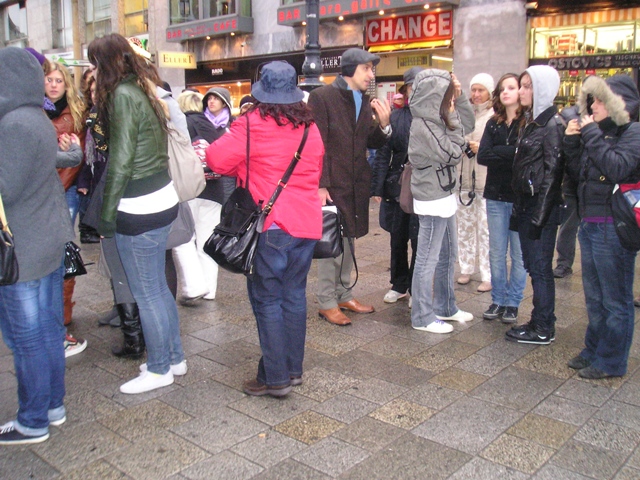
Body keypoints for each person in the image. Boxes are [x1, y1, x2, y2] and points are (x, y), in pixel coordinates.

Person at [205, 61, 324, 397]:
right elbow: (312, 168)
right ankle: (293, 369)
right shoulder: (310, 127)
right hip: (306, 223)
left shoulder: (250, 123)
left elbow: (216, 160)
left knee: (267, 299)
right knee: (294, 296)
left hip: (270, 225)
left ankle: (275, 378)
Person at [88, 33, 185, 394]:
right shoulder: (140, 88)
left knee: (147, 292)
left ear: (105, 64)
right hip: (159, 199)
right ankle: (173, 357)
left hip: (138, 205)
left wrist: (106, 215)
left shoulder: (121, 95)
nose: (92, 72)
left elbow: (121, 161)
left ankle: (160, 368)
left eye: (94, 64)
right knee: (156, 288)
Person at [0, 47, 75, 445]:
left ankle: (32, 420)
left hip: (23, 249)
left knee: (26, 337)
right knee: (47, 330)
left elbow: (6, 187)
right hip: (45, 240)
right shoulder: (35, 118)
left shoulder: (13, 124)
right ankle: (52, 406)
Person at [308, 48, 392, 326]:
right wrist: (321, 184)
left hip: (356, 182)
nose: (371, 75)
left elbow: (370, 140)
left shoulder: (362, 99)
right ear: (351, 68)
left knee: (349, 240)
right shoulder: (322, 97)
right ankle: (327, 302)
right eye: (366, 68)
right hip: (332, 182)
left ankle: (343, 294)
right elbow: (316, 143)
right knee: (331, 242)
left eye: (371, 69)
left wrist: (384, 125)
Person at [564, 74, 640, 379]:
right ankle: (593, 350)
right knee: (594, 298)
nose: (592, 106)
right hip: (590, 223)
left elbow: (618, 167)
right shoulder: (596, 132)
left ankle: (611, 361)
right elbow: (577, 176)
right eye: (591, 100)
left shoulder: (633, 132)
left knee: (615, 299)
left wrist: (591, 134)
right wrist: (572, 143)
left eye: (599, 100)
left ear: (616, 103)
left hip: (614, 225)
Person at [408, 68, 475, 334]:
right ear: (436, 93)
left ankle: (445, 306)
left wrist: (460, 97)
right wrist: (453, 114)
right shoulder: (424, 124)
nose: (451, 98)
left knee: (447, 254)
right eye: (448, 93)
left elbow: (468, 125)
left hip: (444, 193)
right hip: (433, 197)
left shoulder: (436, 117)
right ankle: (422, 316)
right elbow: (454, 153)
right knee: (427, 258)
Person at [506, 65, 564, 345]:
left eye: (528, 86)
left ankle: (543, 326)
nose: (521, 91)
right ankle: (540, 320)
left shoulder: (551, 125)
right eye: (522, 85)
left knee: (540, 269)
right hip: (528, 205)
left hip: (541, 209)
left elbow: (553, 176)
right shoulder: (532, 122)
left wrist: (539, 218)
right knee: (534, 266)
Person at [172, 87, 235, 305]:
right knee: (207, 240)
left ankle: (194, 286)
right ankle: (209, 289)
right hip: (214, 190)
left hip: (189, 189)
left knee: (184, 238)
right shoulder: (212, 125)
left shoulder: (182, 124)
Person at [477, 73, 527, 324]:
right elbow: (482, 155)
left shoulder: (528, 124)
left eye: (512, 87)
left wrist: (502, 152)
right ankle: (498, 299)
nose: (506, 92)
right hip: (495, 195)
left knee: (518, 254)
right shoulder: (493, 124)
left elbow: (526, 156)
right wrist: (512, 152)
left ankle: (513, 302)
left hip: (520, 198)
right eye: (503, 88)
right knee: (496, 252)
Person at [371, 66, 423, 307]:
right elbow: (383, 153)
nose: (415, 91)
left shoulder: (433, 117)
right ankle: (399, 284)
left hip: (424, 185)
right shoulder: (396, 116)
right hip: (398, 184)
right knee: (398, 237)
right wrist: (378, 187)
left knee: (420, 238)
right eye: (411, 87)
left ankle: (417, 286)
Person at [44, 61, 87, 330]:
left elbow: (75, 159)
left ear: (67, 84)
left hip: (64, 190)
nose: (53, 85)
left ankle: (63, 308)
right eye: (49, 79)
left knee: (63, 248)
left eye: (58, 80)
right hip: (38, 190)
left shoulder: (75, 112)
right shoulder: (33, 110)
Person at [457, 73, 494, 292]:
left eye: (481, 90)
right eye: (474, 90)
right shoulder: (465, 113)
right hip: (464, 180)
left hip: (485, 180)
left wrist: (481, 148)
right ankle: (466, 267)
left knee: (485, 229)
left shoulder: (493, 115)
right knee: (464, 227)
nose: (477, 94)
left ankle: (487, 273)